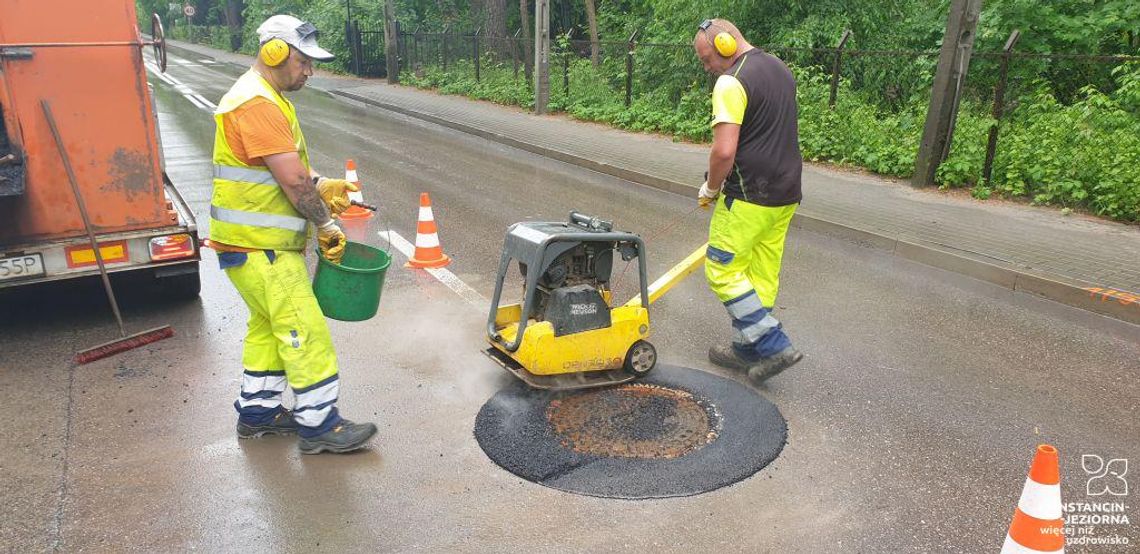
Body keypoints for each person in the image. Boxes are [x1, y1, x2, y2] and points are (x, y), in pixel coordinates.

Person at [209, 14, 377, 454]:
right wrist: (325, 221)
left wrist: (324, 186)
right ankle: (320, 426)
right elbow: (292, 183)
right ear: (275, 53)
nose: (309, 71)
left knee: (268, 329)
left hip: (245, 245)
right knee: (306, 330)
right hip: (261, 248)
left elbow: (288, 172)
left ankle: (258, 414)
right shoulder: (258, 104)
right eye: (304, 62)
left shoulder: (262, 96)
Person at [693, 18, 804, 384]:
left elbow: (724, 151)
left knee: (722, 269)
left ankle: (773, 346)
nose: (708, 67)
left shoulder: (731, 81)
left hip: (748, 195)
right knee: (760, 274)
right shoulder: (779, 68)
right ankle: (747, 349)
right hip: (786, 193)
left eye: (708, 58)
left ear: (725, 44)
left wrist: (711, 188)